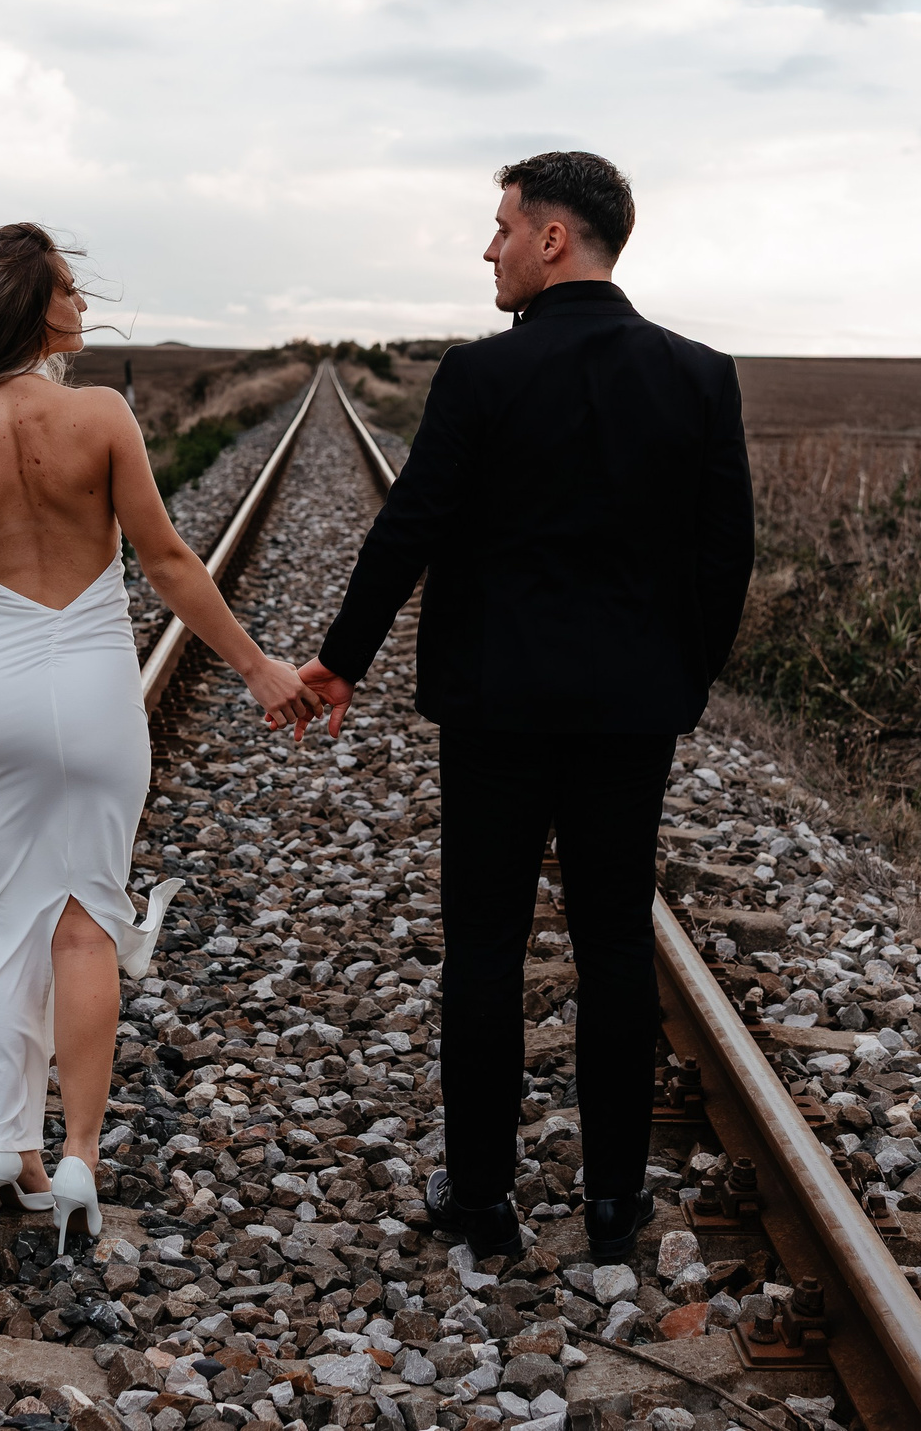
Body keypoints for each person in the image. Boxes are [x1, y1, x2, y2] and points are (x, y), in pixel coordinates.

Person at [299, 153, 754, 1263]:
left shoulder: (481, 378)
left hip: (495, 710)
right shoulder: (699, 376)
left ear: (554, 239)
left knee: (486, 949)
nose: (488, 248)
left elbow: (407, 530)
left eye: (501, 226)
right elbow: (725, 555)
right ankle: (610, 1205)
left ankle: (484, 1201)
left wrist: (340, 662)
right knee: (613, 947)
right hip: (629, 714)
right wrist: (680, 680)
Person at [0, 223, 319, 1254]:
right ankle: (76, 1154)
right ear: (37, 307)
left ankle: (6, 1149)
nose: (82, 303)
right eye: (69, 289)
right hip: (86, 687)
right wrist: (258, 669)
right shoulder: (102, 415)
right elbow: (167, 563)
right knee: (85, 920)